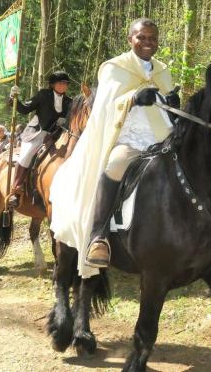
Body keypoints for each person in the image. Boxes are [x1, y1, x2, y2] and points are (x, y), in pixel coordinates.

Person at [49, 18, 180, 278]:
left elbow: (171, 109)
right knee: (115, 166)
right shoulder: (114, 68)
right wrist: (132, 99)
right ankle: (99, 236)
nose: (147, 42)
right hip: (129, 139)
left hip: (163, 139)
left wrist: (174, 103)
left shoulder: (163, 71)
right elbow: (104, 108)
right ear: (130, 38)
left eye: (152, 38)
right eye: (141, 37)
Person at [6, 71, 73, 207]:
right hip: (38, 133)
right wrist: (14, 98)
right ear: (52, 84)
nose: (63, 86)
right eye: (61, 83)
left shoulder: (69, 101)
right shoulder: (43, 95)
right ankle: (16, 191)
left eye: (66, 84)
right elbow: (25, 109)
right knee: (27, 155)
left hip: (58, 135)